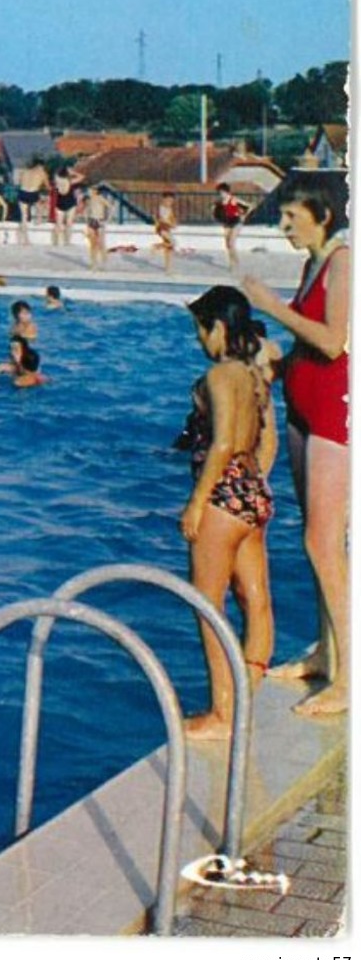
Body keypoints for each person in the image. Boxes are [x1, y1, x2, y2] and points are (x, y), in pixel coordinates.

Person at [243, 189, 349, 717]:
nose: (283, 225)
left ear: (322, 216)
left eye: (291, 216)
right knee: (315, 541)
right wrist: (280, 366)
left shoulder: (345, 261)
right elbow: (311, 349)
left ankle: (349, 677)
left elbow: (334, 341)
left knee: (323, 543)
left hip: (336, 417)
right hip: (304, 413)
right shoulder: (312, 264)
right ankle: (326, 652)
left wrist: (273, 308)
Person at [178, 286, 277, 740]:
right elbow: (265, 442)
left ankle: (221, 714)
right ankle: (245, 694)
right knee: (255, 599)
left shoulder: (220, 377)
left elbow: (219, 443)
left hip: (221, 497)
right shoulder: (255, 377)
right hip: (252, 492)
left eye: (201, 330)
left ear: (217, 327)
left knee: (207, 604)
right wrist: (254, 484)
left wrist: (198, 502)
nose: (200, 340)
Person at [215, 184, 246, 272]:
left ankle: (234, 264)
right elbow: (217, 213)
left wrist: (242, 215)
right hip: (226, 223)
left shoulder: (234, 199)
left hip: (236, 223)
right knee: (228, 245)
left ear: (226, 192)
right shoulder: (220, 202)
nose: (221, 194)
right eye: (220, 193)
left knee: (231, 243)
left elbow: (248, 206)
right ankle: (233, 261)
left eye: (222, 192)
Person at [82, 183, 112, 270]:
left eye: (90, 190)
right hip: (91, 221)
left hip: (100, 221)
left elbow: (111, 207)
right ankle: (93, 263)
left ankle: (104, 263)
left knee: (101, 243)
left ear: (95, 191)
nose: (89, 192)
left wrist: (107, 220)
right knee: (92, 244)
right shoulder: (89, 199)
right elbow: (87, 209)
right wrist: (86, 219)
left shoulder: (100, 198)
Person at [154, 192, 177, 275]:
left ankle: (168, 268)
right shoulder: (161, 208)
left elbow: (172, 217)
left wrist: (174, 223)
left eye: (171, 201)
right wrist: (170, 224)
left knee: (169, 249)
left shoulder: (169, 208)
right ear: (164, 200)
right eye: (168, 200)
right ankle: (157, 246)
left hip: (167, 229)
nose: (170, 202)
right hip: (162, 229)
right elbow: (161, 220)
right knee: (173, 243)